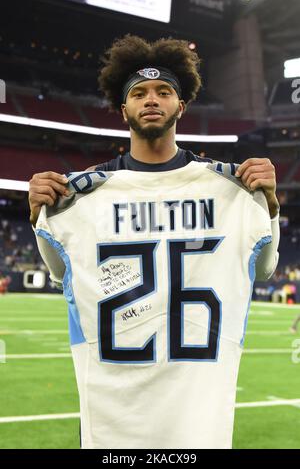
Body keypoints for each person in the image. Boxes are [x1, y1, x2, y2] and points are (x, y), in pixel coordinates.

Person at [28, 35, 280, 449]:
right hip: (116, 409)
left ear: (180, 107)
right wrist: (41, 215)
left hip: (195, 408)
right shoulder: (83, 194)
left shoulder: (230, 186)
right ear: (122, 106)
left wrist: (268, 206)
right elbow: (61, 273)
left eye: (164, 91)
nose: (151, 99)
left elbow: (265, 268)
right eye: (139, 92)